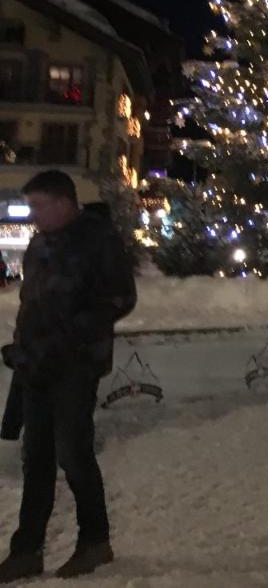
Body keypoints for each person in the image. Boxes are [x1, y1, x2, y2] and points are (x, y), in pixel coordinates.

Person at [0, 171, 136, 581]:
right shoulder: (41, 242)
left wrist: (69, 336)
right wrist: (24, 345)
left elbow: (120, 297)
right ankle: (26, 551)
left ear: (63, 202)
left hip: (75, 366)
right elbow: (33, 302)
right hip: (37, 366)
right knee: (35, 459)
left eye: (39, 206)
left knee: (74, 454)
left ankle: (95, 542)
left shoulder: (98, 240)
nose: (34, 215)